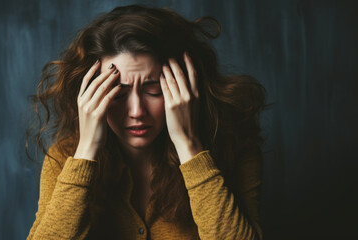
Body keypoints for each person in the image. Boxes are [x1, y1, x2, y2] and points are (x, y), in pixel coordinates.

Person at [26, 4, 267, 240]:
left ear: (185, 86)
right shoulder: (64, 157)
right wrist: (87, 150)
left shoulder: (236, 151)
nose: (137, 111)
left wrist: (189, 146)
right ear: (91, 96)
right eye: (118, 94)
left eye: (154, 90)